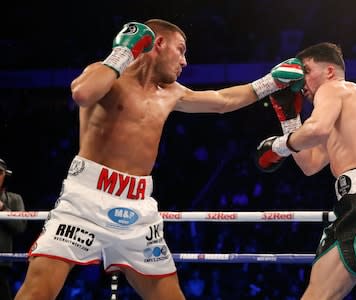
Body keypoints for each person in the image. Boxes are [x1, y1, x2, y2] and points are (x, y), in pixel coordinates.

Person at [14, 19, 303, 300]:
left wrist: (270, 82)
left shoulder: (172, 93)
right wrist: (124, 51)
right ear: (158, 43)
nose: (185, 61)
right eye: (181, 49)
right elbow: (82, 93)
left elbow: (222, 101)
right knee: (38, 292)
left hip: (138, 209)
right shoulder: (108, 76)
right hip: (84, 201)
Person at [256, 42, 356, 300]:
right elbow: (310, 163)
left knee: (318, 295)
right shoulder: (353, 108)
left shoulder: (333, 88)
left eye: (305, 70)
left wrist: (277, 146)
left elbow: (316, 130)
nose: (299, 80)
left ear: (329, 71)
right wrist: (289, 118)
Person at [0, 158, 27, 300]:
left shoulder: (15, 199)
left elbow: (20, 227)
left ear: (6, 176)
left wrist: (3, 209)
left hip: (1, 265)